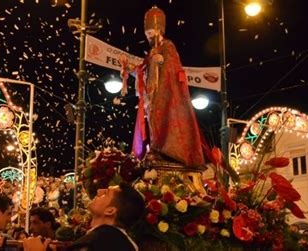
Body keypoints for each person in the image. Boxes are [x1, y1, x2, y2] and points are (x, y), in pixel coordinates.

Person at [121, 6, 204, 167]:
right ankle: (156, 149)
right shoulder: (152, 52)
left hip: (167, 94)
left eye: (150, 33)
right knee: (153, 122)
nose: (148, 37)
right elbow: (142, 70)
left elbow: (174, 65)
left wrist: (163, 60)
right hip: (153, 95)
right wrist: (127, 68)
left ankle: (168, 151)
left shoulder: (168, 46)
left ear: (158, 30)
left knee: (165, 120)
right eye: (146, 34)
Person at [23, 182, 144, 251]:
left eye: (106, 193)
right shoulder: (129, 244)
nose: (98, 192)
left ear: (110, 211)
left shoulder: (93, 243)